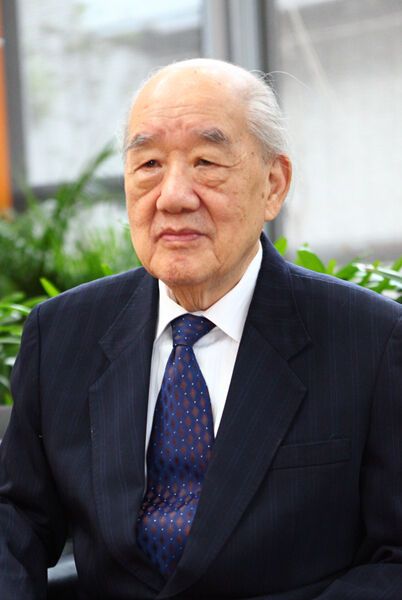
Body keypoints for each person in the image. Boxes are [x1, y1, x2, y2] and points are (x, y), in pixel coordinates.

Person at [1, 58, 402, 600]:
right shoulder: (62, 333)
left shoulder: (370, 340)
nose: (172, 196)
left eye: (206, 162)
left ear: (273, 184)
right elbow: (17, 516)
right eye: (148, 164)